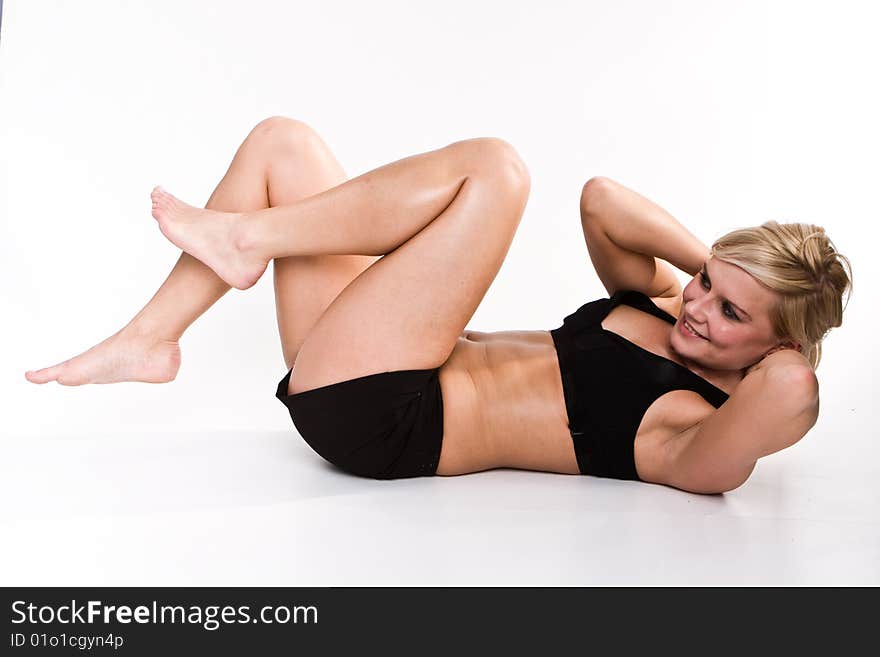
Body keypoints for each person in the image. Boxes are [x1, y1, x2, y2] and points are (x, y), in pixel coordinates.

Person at [24, 117, 853, 494]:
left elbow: (789, 394)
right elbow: (604, 201)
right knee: (284, 145)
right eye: (708, 282)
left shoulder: (687, 428)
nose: (701, 307)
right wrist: (716, 267)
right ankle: (152, 338)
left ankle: (248, 241)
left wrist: (790, 337)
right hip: (372, 361)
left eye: (732, 315)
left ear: (774, 349)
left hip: (388, 416)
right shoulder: (670, 303)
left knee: (498, 170)